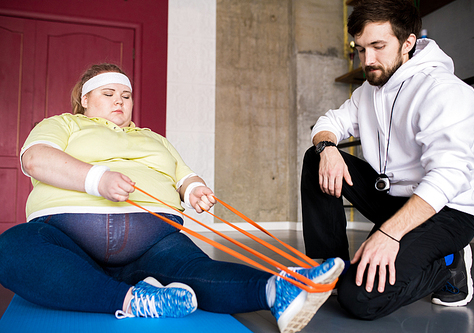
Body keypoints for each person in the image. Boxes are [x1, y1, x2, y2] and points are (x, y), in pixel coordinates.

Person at [0, 63, 344, 333]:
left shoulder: (154, 138)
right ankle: (132, 299)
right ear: (85, 99)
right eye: (108, 93)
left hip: (153, 238)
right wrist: (97, 179)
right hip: (66, 237)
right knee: (11, 248)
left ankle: (278, 292)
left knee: (197, 270)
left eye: (126, 94)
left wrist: (195, 189)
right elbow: (35, 159)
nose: (120, 100)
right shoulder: (63, 124)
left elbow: (183, 174)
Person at [300, 0, 474, 320]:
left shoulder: (444, 91)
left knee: (360, 300)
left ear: (408, 43)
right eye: (360, 49)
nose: (368, 60)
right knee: (316, 157)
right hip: (391, 199)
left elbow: (448, 175)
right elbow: (328, 122)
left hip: (445, 211)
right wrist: (327, 149)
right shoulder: (369, 92)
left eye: (378, 46)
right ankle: (329, 266)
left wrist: (389, 234)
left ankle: (447, 264)